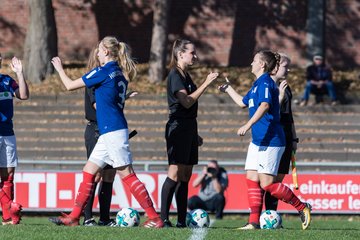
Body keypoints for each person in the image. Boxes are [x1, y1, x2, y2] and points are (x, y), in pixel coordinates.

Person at [49, 36, 164, 228]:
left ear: (106, 52)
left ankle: (154, 217)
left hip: (112, 129)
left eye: (99, 49)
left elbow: (69, 85)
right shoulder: (119, 73)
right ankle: (74, 217)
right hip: (110, 129)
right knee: (89, 171)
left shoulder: (103, 71)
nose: (97, 52)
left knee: (127, 174)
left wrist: (60, 68)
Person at [218, 50, 311, 230]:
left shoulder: (266, 82)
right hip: (258, 141)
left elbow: (266, 105)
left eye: (254, 61)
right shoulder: (256, 84)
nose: (251, 63)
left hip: (271, 139)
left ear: (261, 64)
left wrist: (248, 124)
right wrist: (228, 89)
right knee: (251, 178)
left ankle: (302, 207)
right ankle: (253, 222)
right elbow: (242, 103)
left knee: (267, 184)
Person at [160, 39, 219, 228]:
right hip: (177, 127)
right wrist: (206, 83)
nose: (196, 56)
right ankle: (162, 218)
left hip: (189, 128)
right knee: (175, 172)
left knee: (185, 174)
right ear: (180, 54)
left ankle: (180, 220)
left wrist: (195, 134)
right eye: (192, 53)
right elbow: (186, 102)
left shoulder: (185, 75)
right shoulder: (175, 75)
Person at [264, 53, 299, 211]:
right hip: (273, 137)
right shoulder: (267, 86)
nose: (288, 70)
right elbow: (267, 113)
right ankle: (262, 216)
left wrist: (294, 138)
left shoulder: (286, 86)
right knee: (269, 181)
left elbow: (289, 115)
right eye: (285, 66)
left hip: (286, 136)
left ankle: (271, 214)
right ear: (276, 66)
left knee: (278, 180)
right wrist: (280, 96)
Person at [0, 53, 28, 225]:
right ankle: (11, 208)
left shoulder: (7, 81)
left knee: (8, 175)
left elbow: (24, 95)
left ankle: (8, 218)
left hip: (8, 132)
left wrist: (19, 73)